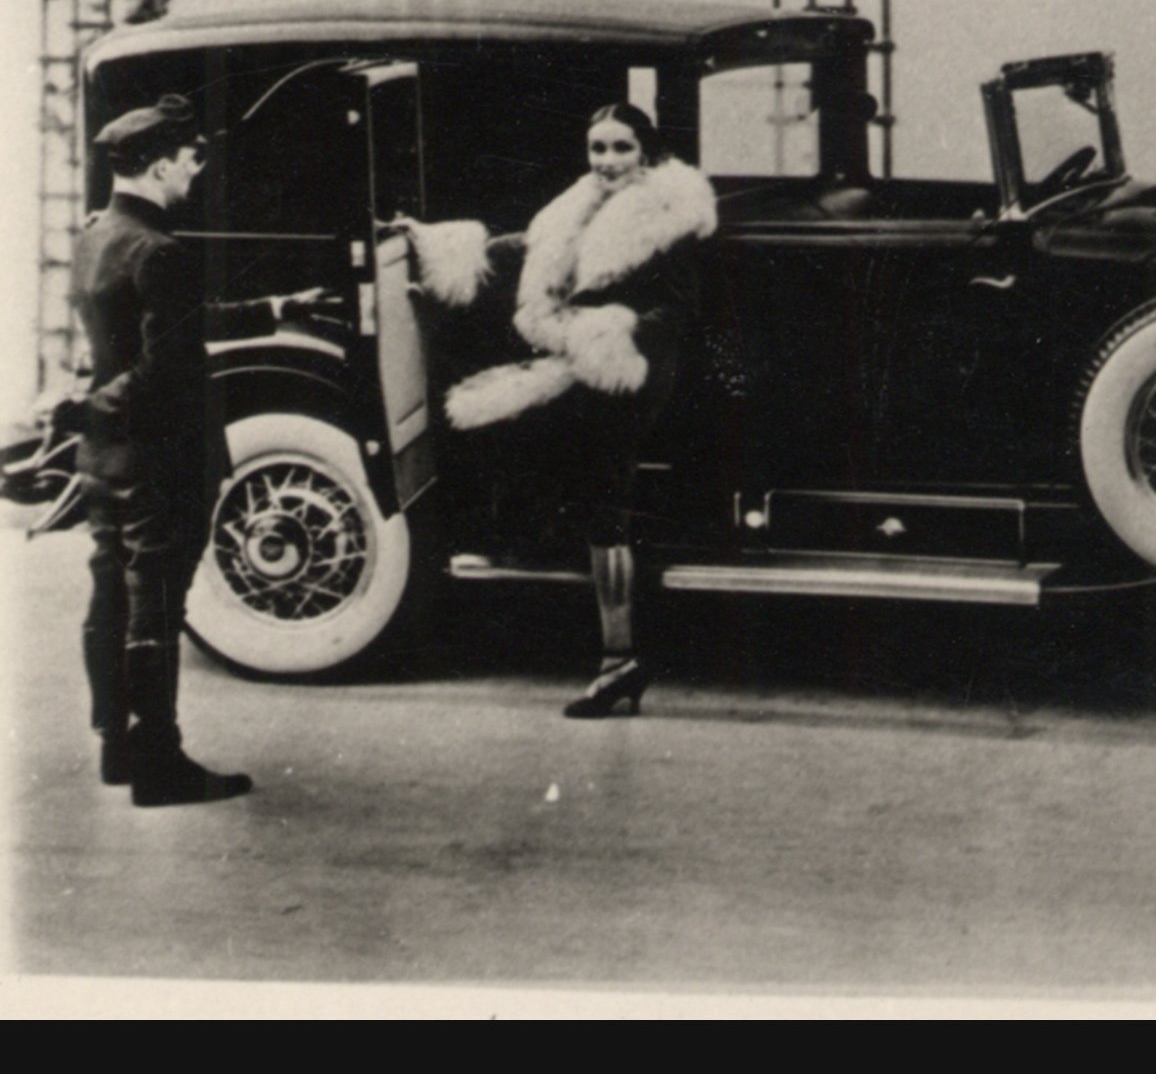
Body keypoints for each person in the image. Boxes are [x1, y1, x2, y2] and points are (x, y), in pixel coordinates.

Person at [401, 103, 716, 719]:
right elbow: (533, 247)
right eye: (597, 149)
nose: (606, 162)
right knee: (545, 460)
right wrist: (439, 244)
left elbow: (679, 308)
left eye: (621, 149)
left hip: (633, 365)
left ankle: (618, 660)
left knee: (606, 496)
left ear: (646, 153)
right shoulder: (578, 201)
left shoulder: (672, 212)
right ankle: (604, 647)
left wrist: (612, 334)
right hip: (579, 353)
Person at [75, 94, 334, 805]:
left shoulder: (99, 235)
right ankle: (160, 765)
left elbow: (171, 325)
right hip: (161, 458)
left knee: (110, 597)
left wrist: (274, 310)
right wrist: (91, 404)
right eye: (190, 160)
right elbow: (164, 367)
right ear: (159, 166)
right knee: (156, 604)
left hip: (106, 459)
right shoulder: (163, 250)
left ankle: (118, 749)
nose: (195, 173)